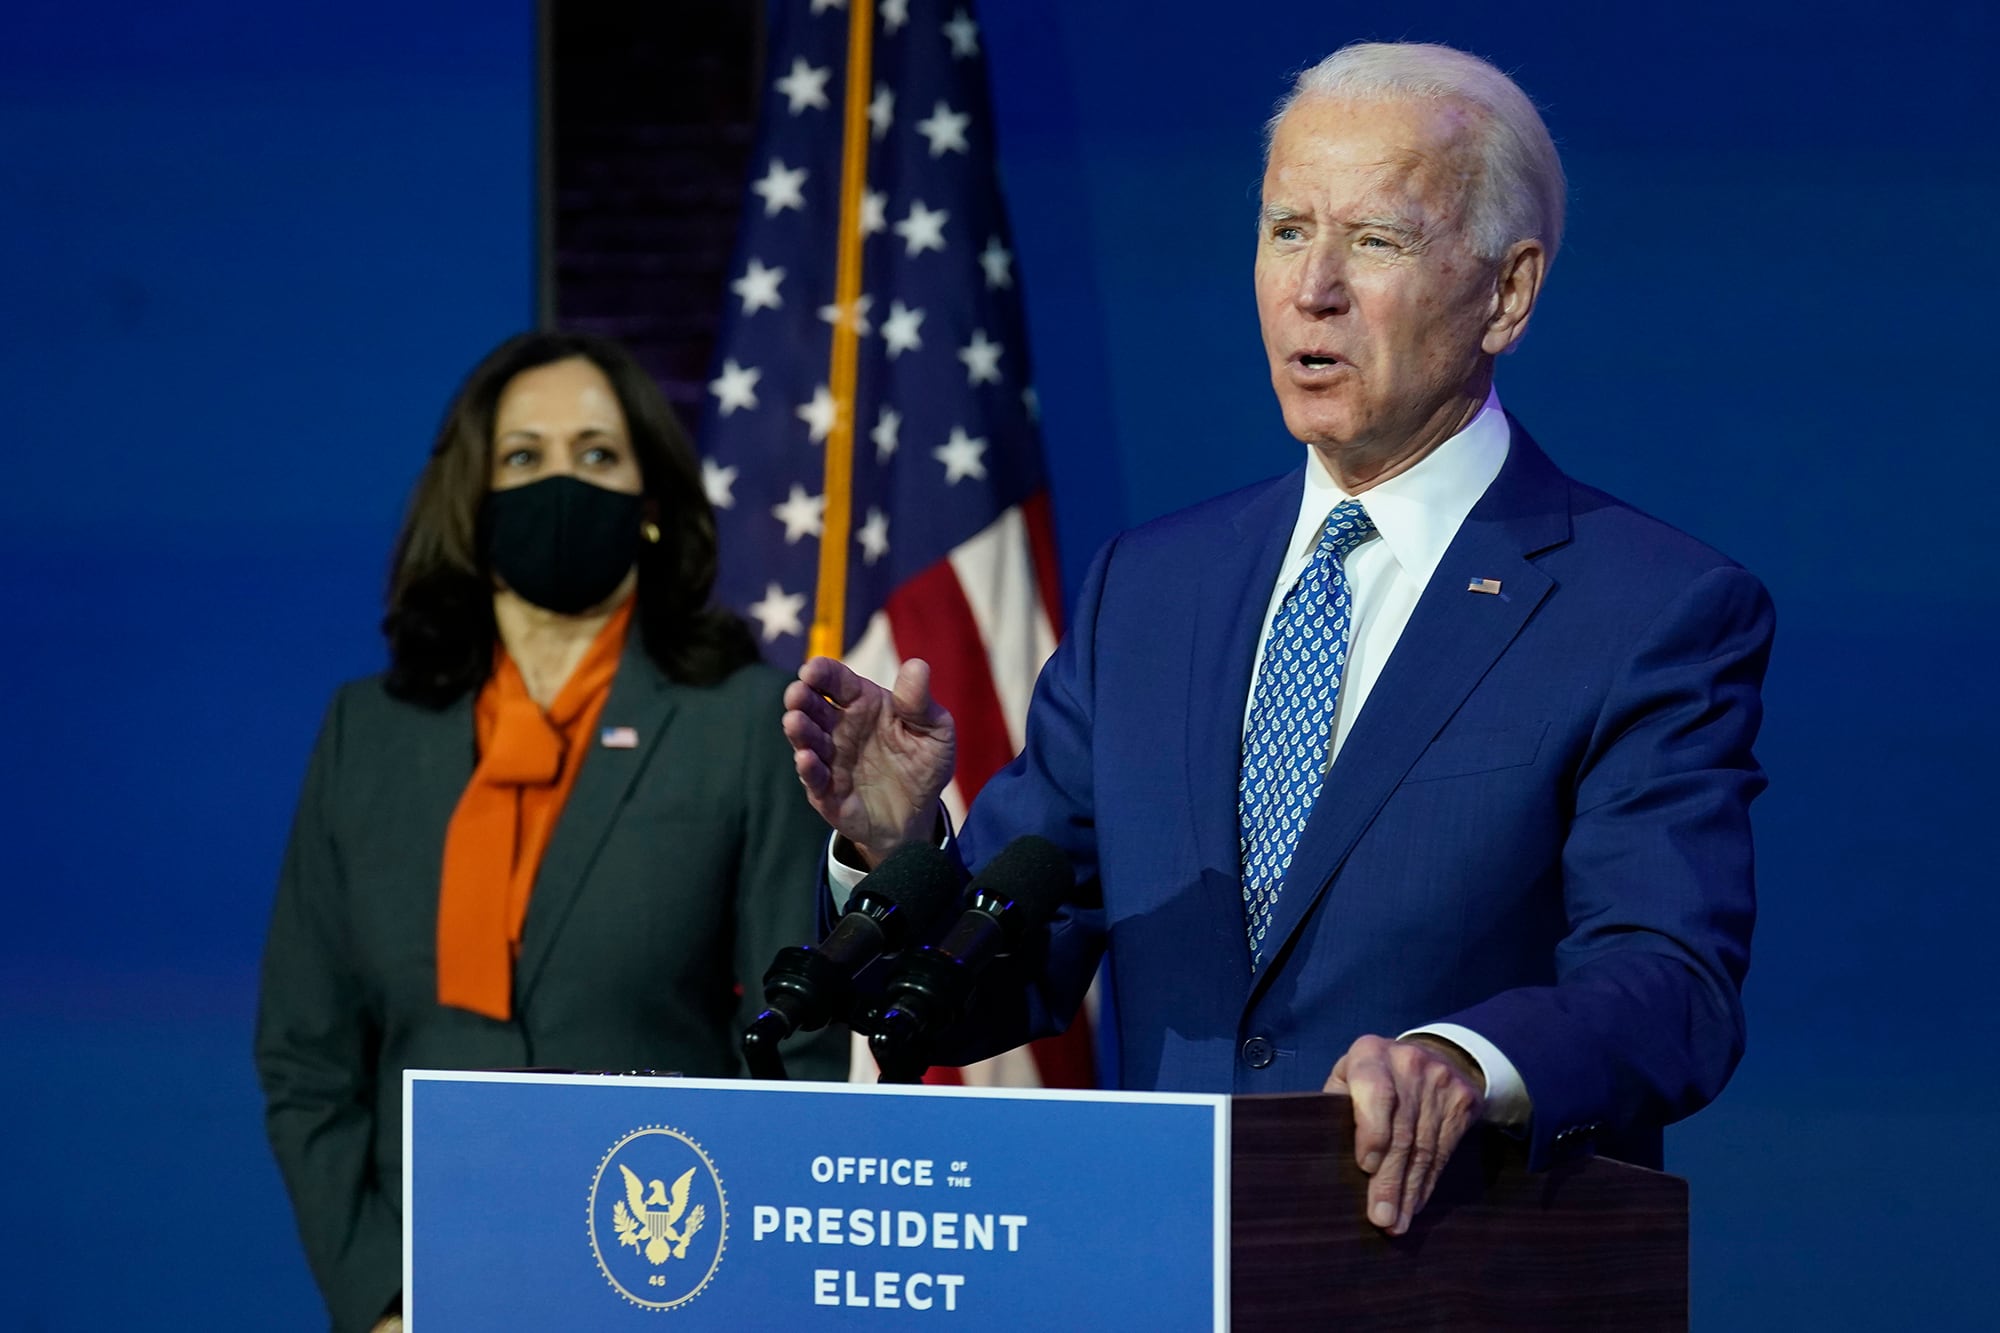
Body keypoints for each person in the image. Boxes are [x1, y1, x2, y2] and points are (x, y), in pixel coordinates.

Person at [783, 42, 1772, 1239]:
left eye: (1374, 241)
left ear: (1506, 292)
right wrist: (902, 852)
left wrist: (1462, 1061)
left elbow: (1669, 984)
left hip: (1450, 1278)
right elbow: (990, 986)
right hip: (1161, 1264)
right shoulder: (1147, 592)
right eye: (1286, 229)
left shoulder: (1644, 608)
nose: (1312, 288)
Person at [255, 331, 842, 1333]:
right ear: (471, 499)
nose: (559, 482)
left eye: (597, 454)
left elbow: (798, 1052)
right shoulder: (368, 731)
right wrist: (382, 1300)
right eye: (522, 457)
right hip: (424, 1289)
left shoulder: (740, 720)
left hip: (664, 1281)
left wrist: (731, 1287)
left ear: (650, 503)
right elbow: (306, 1058)